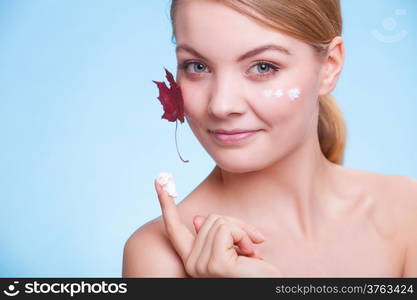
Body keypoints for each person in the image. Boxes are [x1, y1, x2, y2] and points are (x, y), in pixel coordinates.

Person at [122, 0, 417, 277]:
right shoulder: (158, 256)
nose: (221, 105)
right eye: (197, 66)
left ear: (329, 66)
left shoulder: (406, 210)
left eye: (263, 67)